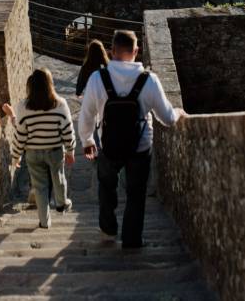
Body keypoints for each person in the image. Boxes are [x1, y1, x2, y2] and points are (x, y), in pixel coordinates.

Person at [78, 30, 186, 248]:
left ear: (112, 51)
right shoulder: (149, 80)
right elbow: (166, 118)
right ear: (136, 51)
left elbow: (86, 115)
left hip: (109, 146)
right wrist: (178, 113)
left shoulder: (98, 79)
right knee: (136, 194)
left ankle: (108, 230)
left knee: (106, 186)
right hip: (140, 147)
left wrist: (88, 141)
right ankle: (132, 239)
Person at [5, 68, 76, 229]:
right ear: (50, 84)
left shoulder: (23, 106)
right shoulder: (60, 104)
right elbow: (68, 130)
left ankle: (44, 222)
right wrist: (70, 150)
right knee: (59, 177)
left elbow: (20, 134)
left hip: (33, 153)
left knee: (40, 187)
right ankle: (62, 202)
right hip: (55, 151)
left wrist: (16, 157)